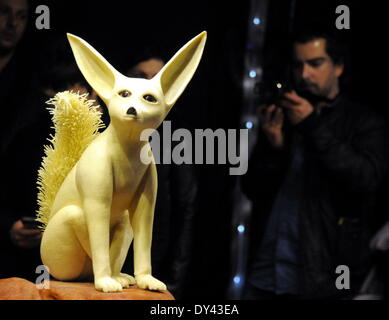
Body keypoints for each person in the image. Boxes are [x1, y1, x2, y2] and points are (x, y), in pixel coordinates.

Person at [241, 30, 389, 299]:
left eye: (315, 63)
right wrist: (274, 148)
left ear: (339, 66)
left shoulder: (364, 121)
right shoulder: (288, 114)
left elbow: (365, 179)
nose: (305, 74)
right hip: (267, 269)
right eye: (298, 65)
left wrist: (312, 125)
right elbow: (252, 189)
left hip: (321, 276)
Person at [122, 54, 198, 299]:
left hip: (156, 273)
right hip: (107, 271)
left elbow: (186, 208)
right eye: (141, 78)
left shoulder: (177, 138)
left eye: (158, 78)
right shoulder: (109, 132)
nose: (149, 85)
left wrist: (174, 281)